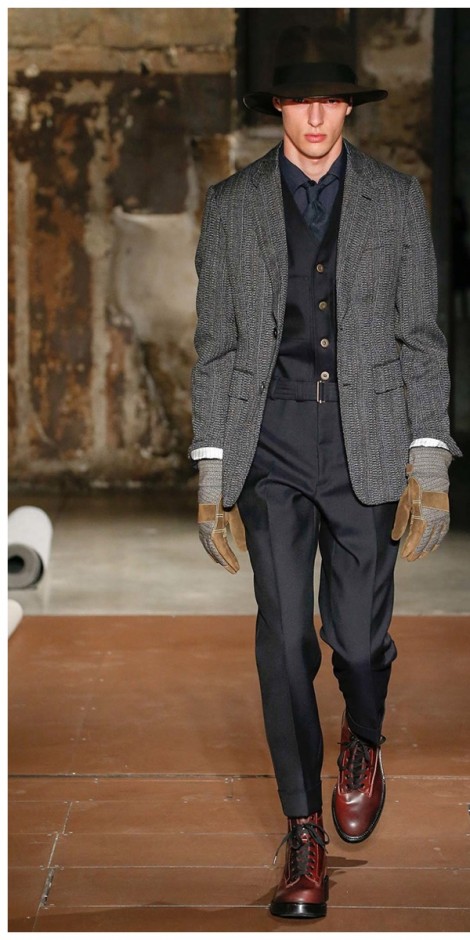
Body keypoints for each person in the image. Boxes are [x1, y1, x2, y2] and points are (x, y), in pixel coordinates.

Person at [190, 61, 461, 920]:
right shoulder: (232, 205)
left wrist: (429, 460)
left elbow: (421, 336)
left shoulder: (395, 198)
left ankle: (364, 738)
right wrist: (211, 472)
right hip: (268, 444)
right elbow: (216, 343)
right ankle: (303, 832)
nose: (316, 116)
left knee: (358, 641)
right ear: (280, 106)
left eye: (331, 100)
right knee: (282, 644)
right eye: (301, 101)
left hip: (365, 442)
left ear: (347, 107)